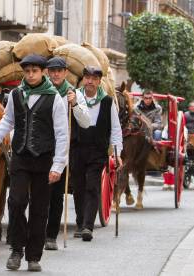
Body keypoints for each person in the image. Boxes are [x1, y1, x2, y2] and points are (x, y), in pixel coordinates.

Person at [0, 54, 68, 272]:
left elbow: (62, 134)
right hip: (20, 156)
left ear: (43, 73)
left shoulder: (54, 98)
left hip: (44, 160)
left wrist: (58, 166)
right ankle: (16, 250)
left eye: (35, 71)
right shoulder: (17, 94)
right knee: (16, 201)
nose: (30, 75)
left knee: (39, 208)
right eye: (27, 71)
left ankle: (34, 256)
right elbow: (7, 122)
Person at [71, 65, 122, 242]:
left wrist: (118, 153)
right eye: (87, 77)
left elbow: (115, 129)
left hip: (97, 149)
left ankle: (87, 226)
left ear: (99, 82)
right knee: (78, 186)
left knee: (92, 186)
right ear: (83, 79)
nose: (90, 81)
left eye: (94, 78)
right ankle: (79, 223)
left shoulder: (107, 101)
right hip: (78, 147)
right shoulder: (75, 97)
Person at [44, 57, 91, 251]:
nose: (55, 73)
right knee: (36, 193)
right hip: (40, 147)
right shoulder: (40, 90)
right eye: (52, 70)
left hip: (61, 149)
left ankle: (51, 235)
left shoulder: (74, 93)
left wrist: (75, 105)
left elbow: (86, 122)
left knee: (56, 193)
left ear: (65, 73)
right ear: (47, 72)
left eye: (59, 70)